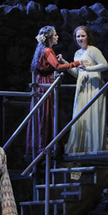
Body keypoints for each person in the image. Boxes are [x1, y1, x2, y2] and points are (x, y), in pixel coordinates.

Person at [27, 25, 84, 154]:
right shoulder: (47, 50)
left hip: (42, 82)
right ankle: (47, 147)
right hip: (47, 83)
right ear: (49, 38)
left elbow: (51, 65)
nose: (57, 37)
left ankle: (43, 146)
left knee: (44, 112)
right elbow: (57, 67)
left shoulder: (43, 50)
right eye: (55, 35)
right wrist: (77, 63)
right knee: (47, 113)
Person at [63, 26, 108, 153]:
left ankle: (94, 148)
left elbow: (105, 65)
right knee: (81, 115)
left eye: (83, 36)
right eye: (78, 36)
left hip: (93, 86)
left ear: (88, 36)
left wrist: (89, 69)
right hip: (82, 86)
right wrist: (66, 64)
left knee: (93, 114)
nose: (80, 38)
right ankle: (81, 147)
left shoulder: (93, 50)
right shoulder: (77, 54)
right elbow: (77, 73)